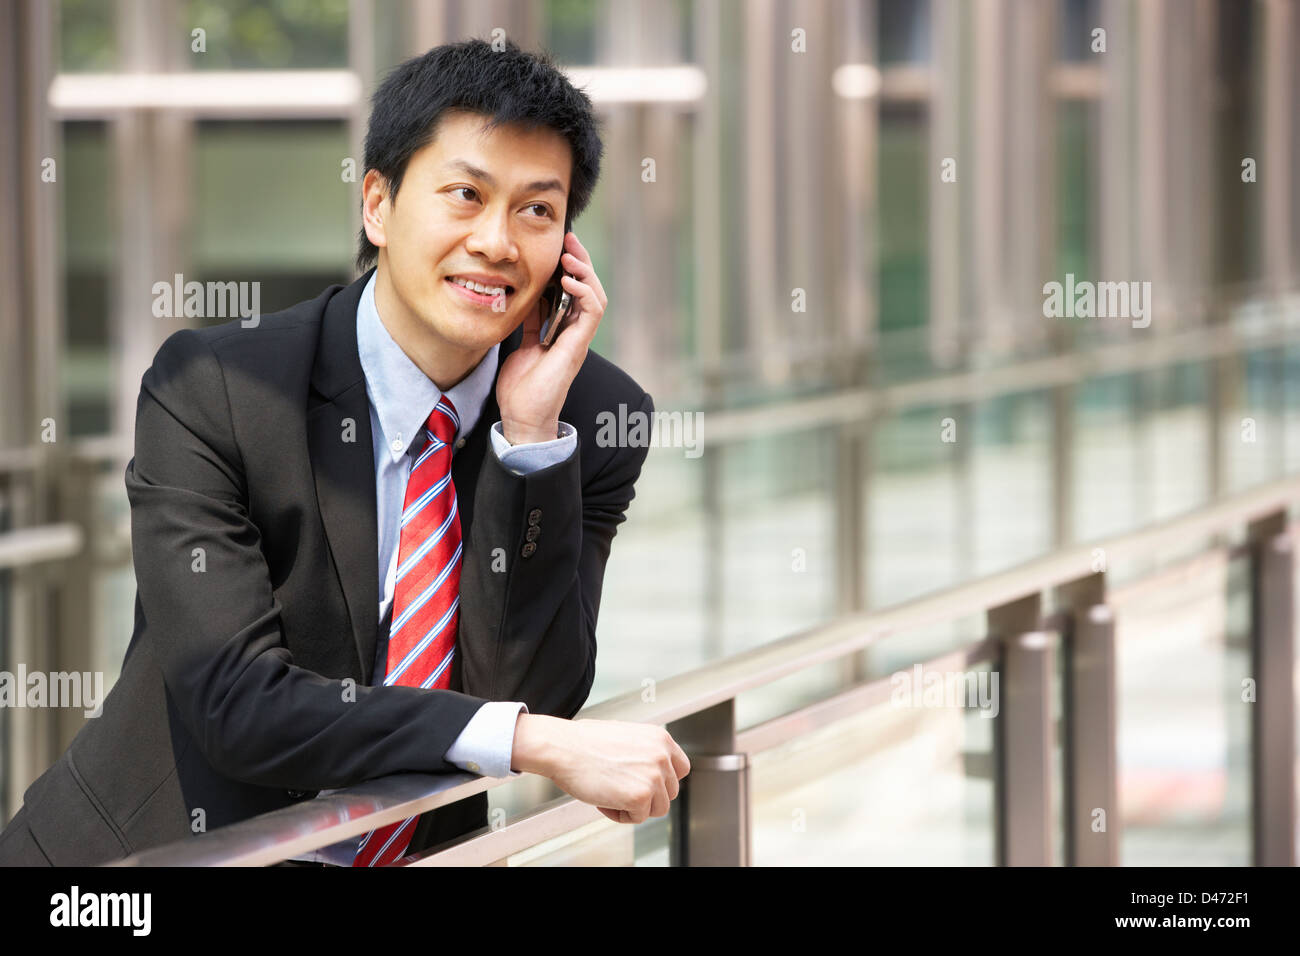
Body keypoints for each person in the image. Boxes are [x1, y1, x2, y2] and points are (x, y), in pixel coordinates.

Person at [0, 37, 688, 867]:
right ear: (378, 206)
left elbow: (530, 693)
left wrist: (528, 443)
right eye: (465, 194)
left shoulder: (592, 417)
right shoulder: (217, 389)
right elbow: (237, 703)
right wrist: (524, 740)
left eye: (537, 210)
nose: (498, 242)